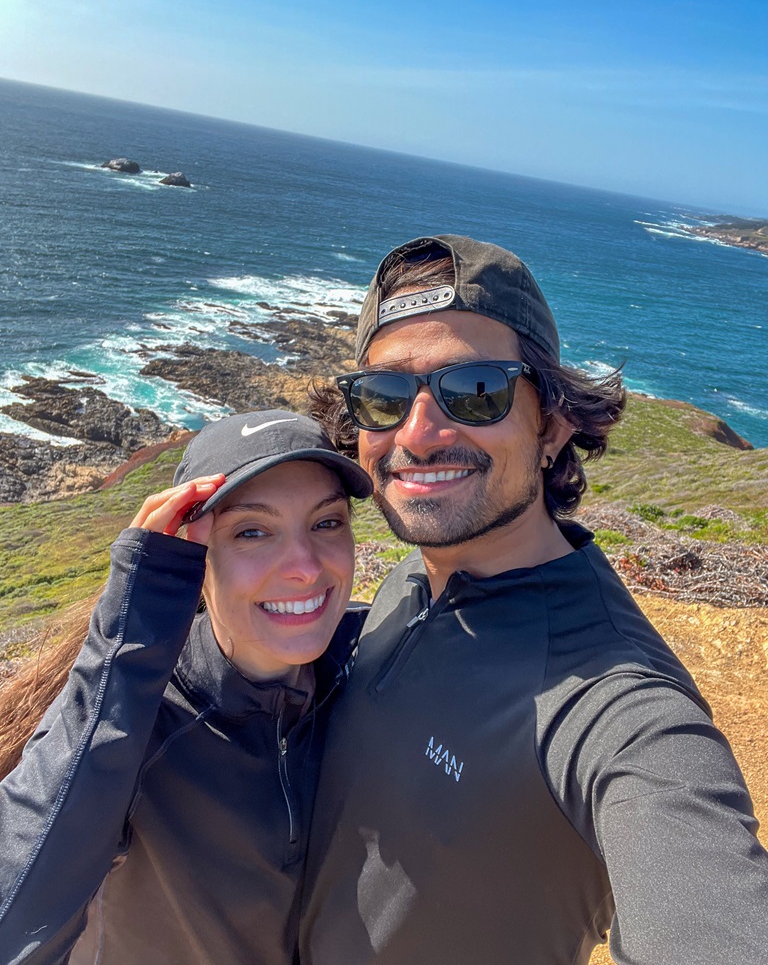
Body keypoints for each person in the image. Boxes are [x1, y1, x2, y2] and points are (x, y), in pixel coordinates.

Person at [301, 235, 768, 965]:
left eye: (475, 391)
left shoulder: (616, 705)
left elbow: (707, 907)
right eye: (384, 397)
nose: (418, 436)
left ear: (551, 424)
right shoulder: (411, 582)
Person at [0, 410, 372, 965]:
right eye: (252, 531)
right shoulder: (132, 727)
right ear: (196, 558)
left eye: (326, 523)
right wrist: (137, 617)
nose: (304, 566)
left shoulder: (367, 665)